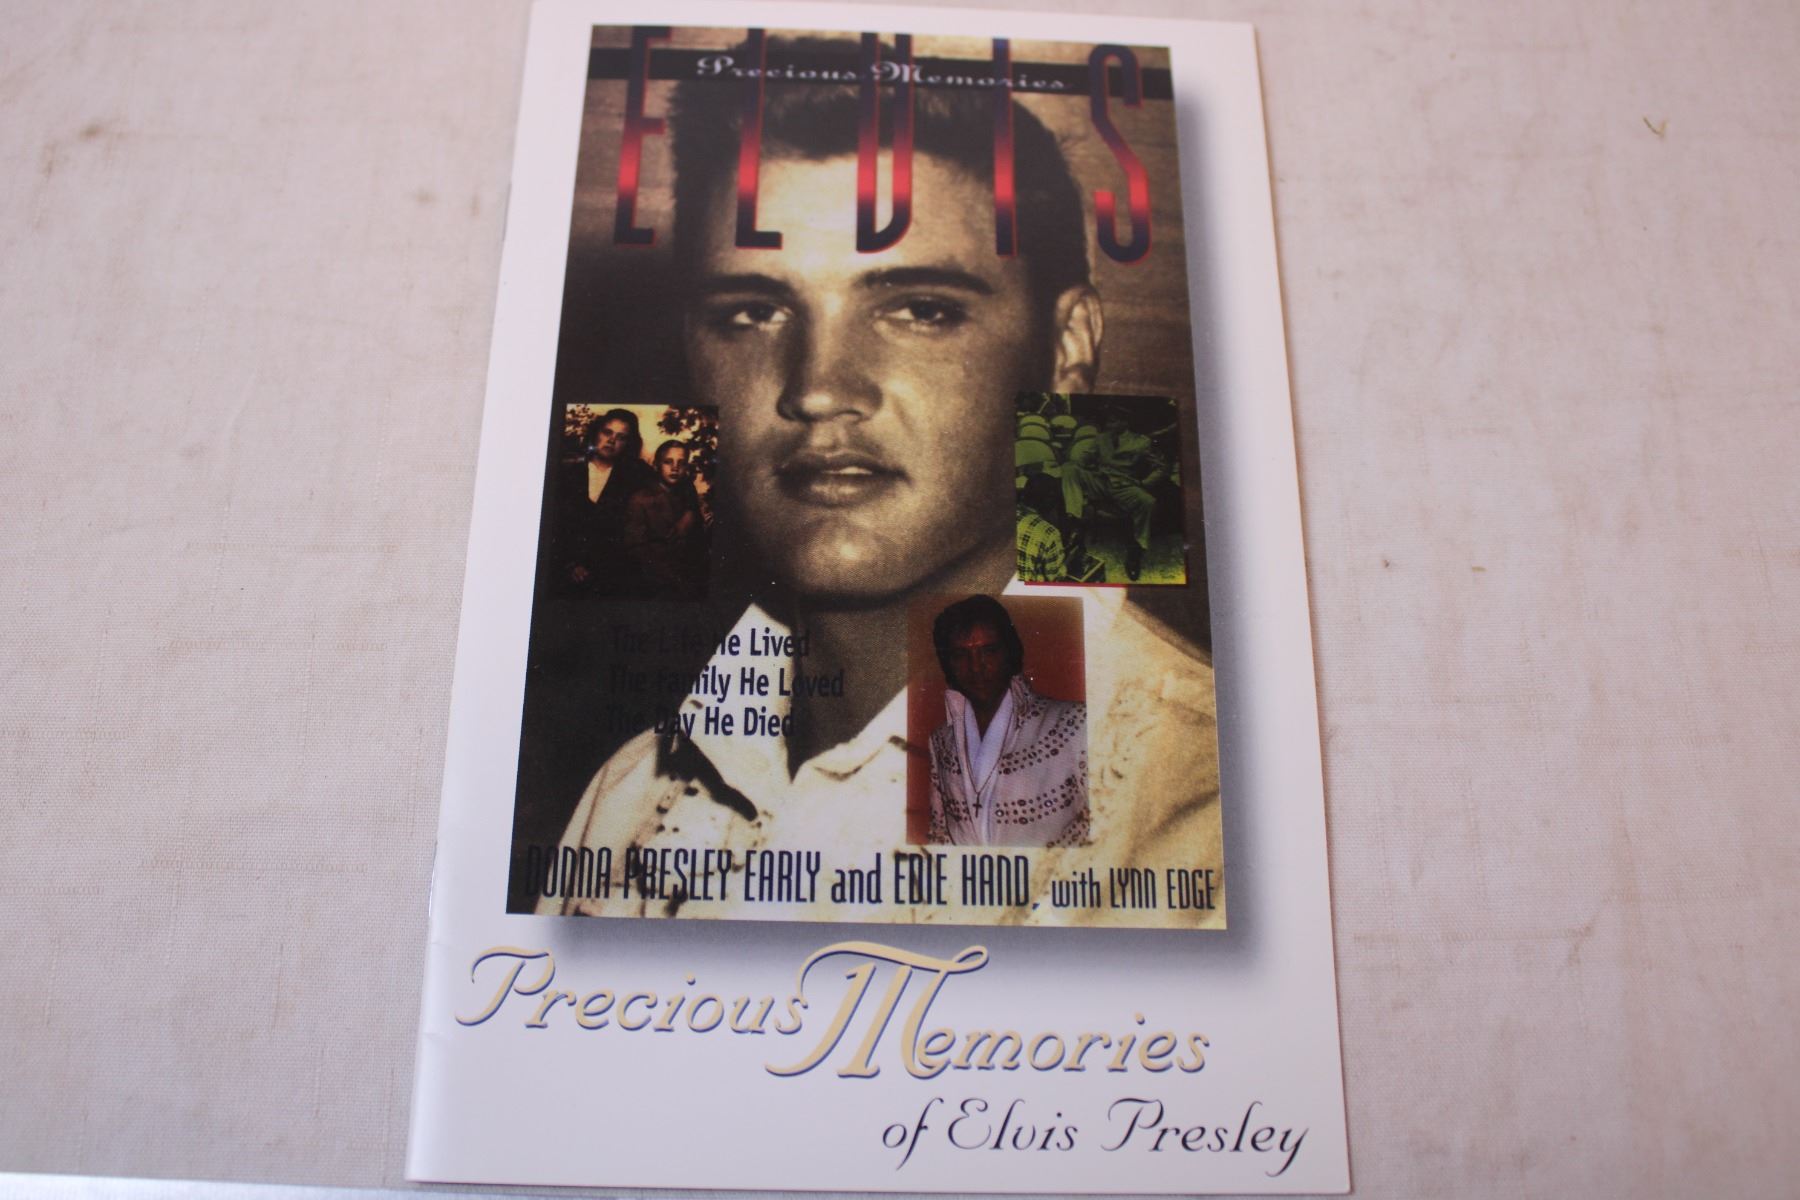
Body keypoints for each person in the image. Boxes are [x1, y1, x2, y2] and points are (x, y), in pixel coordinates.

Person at [541, 37, 1220, 926]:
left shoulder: (1200, 832)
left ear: (1067, 350)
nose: (819, 387)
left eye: (919, 309)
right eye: (751, 311)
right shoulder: (629, 792)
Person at [924, 596, 1088, 848]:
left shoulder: (1072, 723)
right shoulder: (941, 741)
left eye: (989, 651)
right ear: (948, 663)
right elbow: (940, 834)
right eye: (960, 655)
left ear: (1010, 651)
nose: (976, 667)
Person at [557, 408, 656, 593]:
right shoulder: (568, 472)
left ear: (628, 443)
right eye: (607, 432)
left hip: (612, 575)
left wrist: (689, 511)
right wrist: (571, 564)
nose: (611, 440)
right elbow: (554, 525)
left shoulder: (634, 474)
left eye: (621, 437)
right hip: (564, 569)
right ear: (596, 433)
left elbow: (672, 481)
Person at [623, 439, 707, 598]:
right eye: (668, 462)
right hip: (654, 584)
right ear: (656, 465)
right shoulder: (640, 499)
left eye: (681, 463)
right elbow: (636, 549)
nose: (675, 468)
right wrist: (672, 579)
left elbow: (697, 545)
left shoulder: (687, 499)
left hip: (688, 581)